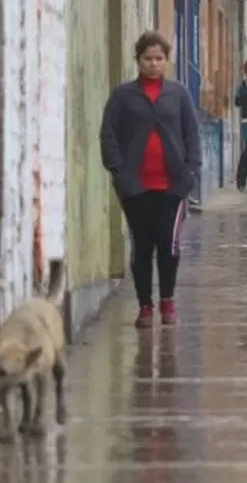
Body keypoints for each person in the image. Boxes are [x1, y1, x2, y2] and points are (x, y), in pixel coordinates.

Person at [99, 31, 202, 328]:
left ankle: (167, 301)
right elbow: (109, 134)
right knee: (142, 246)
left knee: (168, 245)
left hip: (173, 185)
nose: (153, 64)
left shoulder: (178, 94)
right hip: (136, 188)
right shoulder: (123, 96)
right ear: (138, 60)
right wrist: (118, 170)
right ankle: (145, 305)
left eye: (159, 59)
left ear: (166, 60)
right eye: (148, 59)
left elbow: (191, 133)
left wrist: (190, 169)